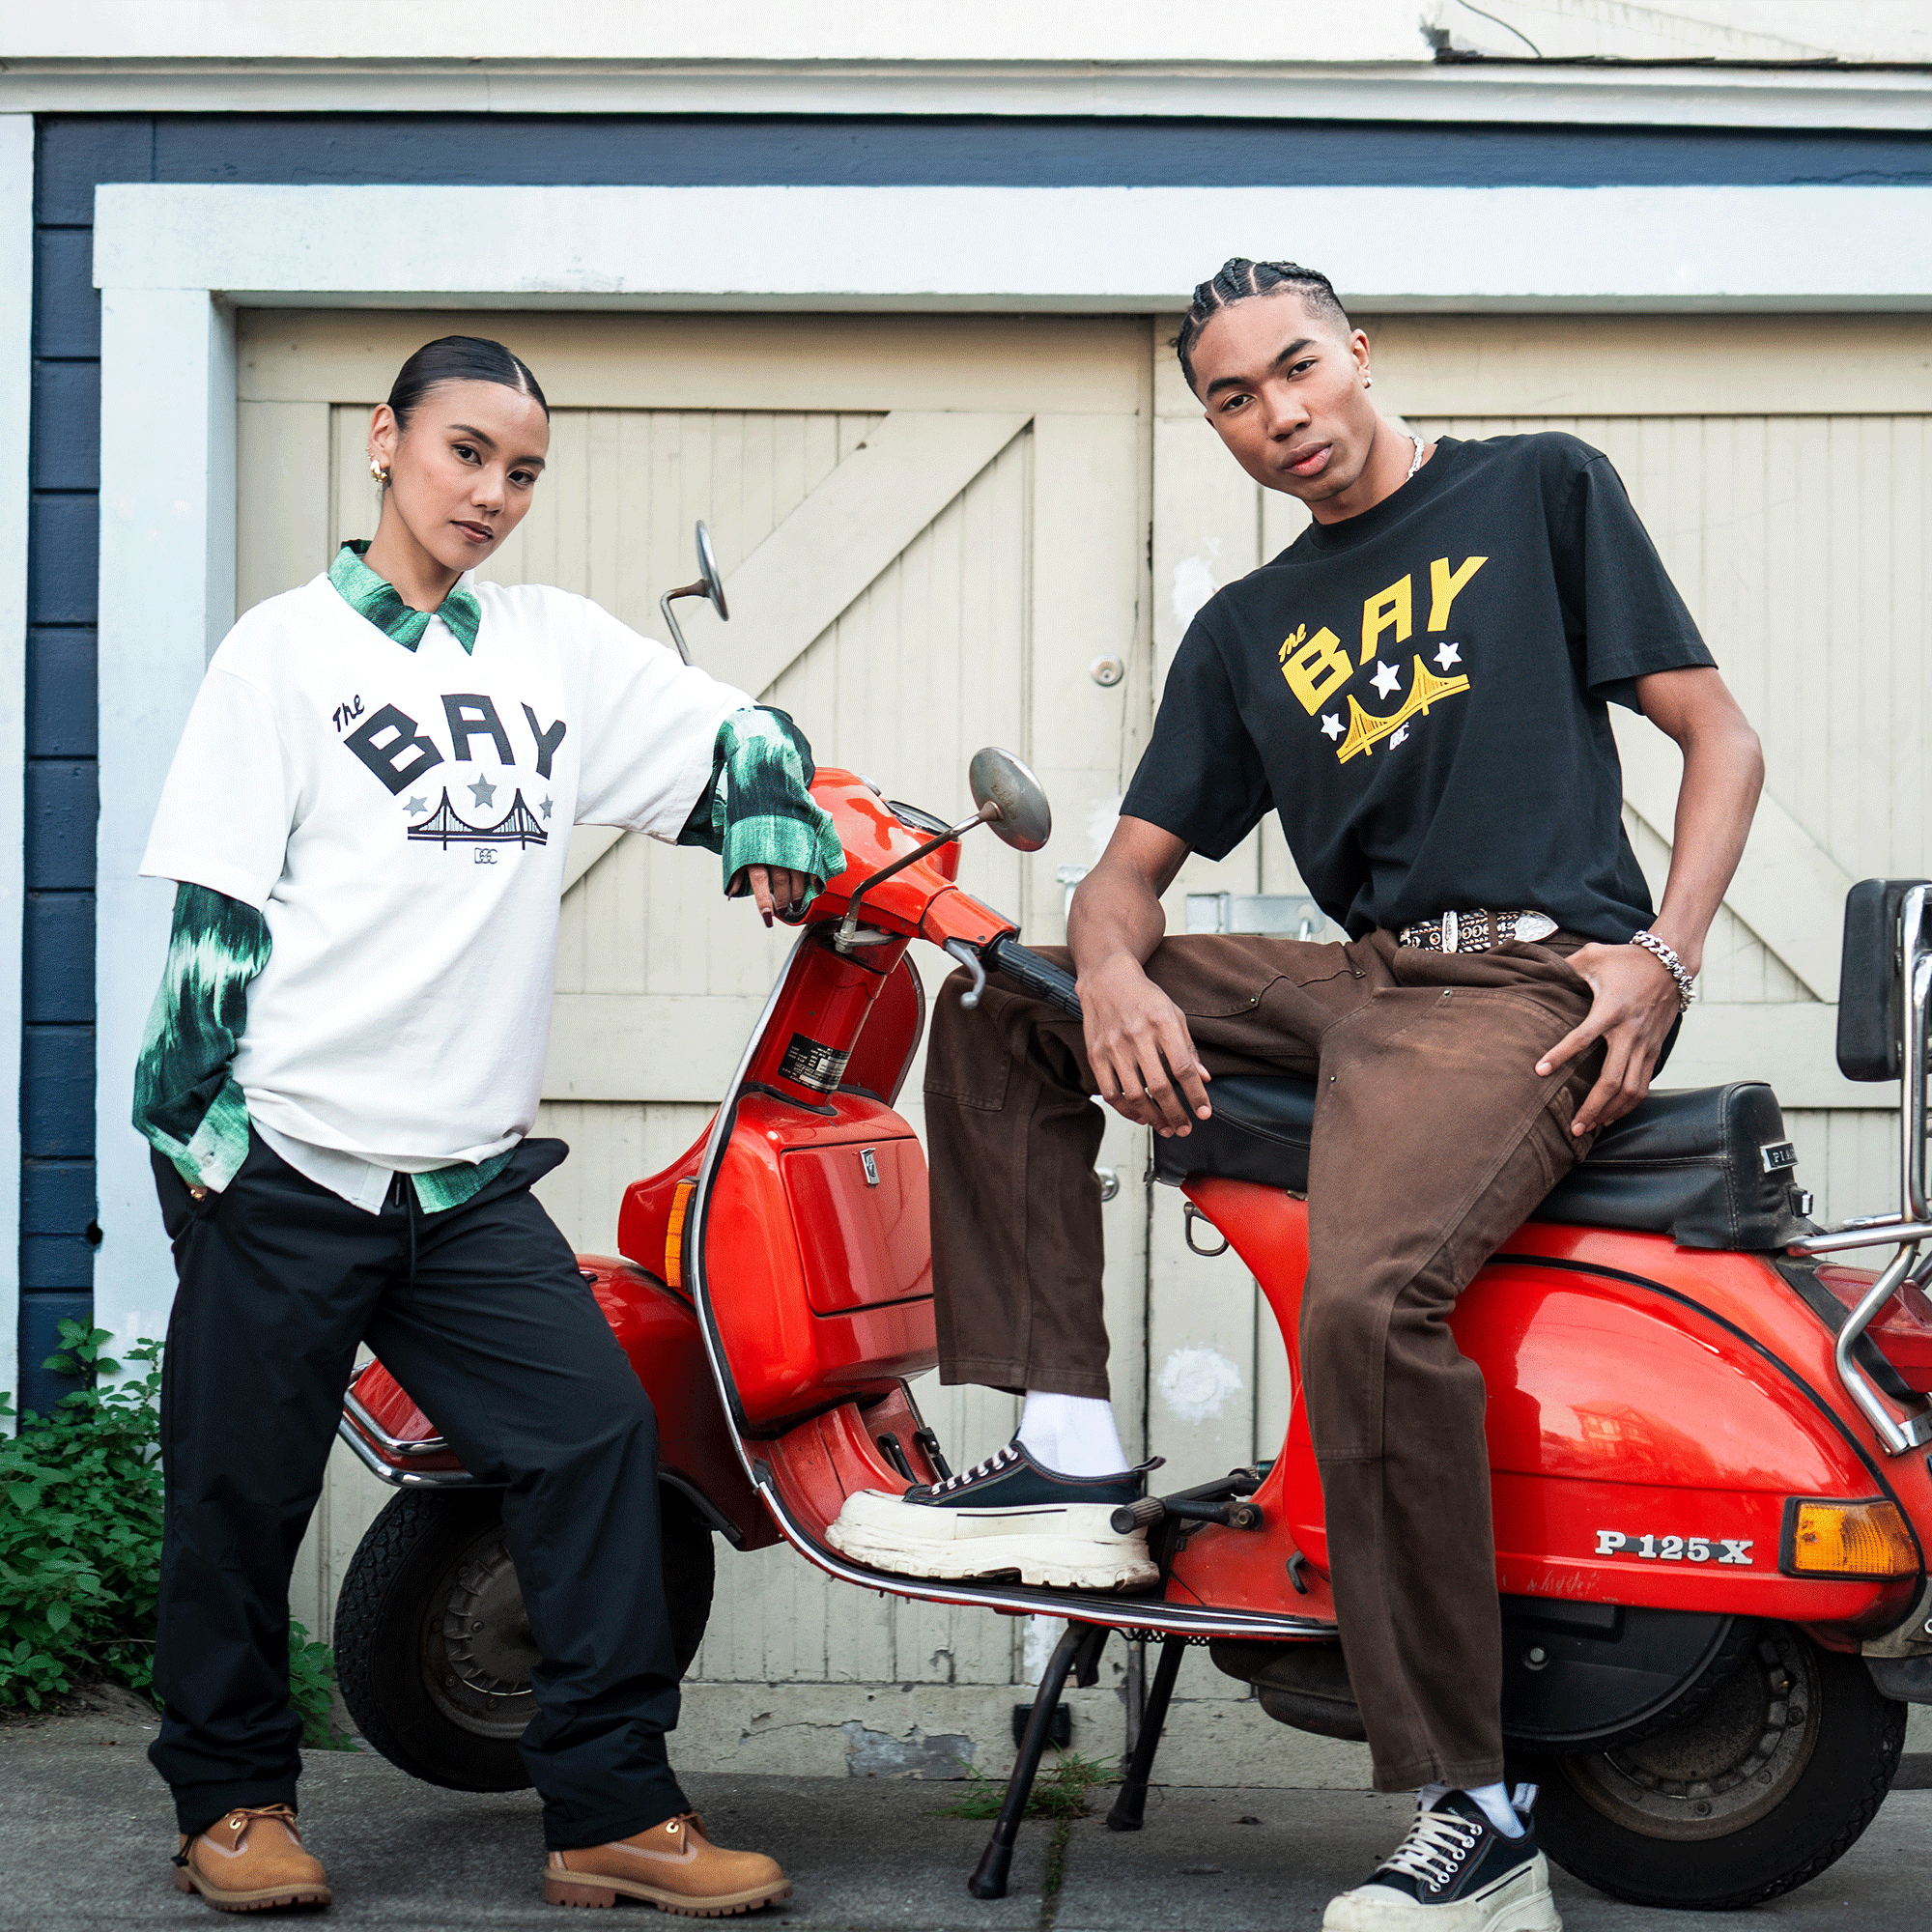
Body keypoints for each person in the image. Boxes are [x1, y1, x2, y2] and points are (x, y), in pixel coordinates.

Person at [829, 261, 1764, 1931]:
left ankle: (1475, 1818)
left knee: (1368, 1305)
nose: (1282, 417)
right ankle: (1066, 1453)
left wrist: (1666, 961)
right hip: (1372, 979)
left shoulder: (1537, 488)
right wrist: (1110, 971)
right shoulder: (1248, 629)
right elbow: (1123, 878)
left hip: (1539, 981)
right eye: (1236, 399)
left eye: (1300, 369)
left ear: (1361, 354)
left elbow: (1721, 739)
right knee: (1006, 995)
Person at [135, 336, 839, 1916]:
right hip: (291, 1156)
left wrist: (776, 817)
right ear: (386, 444)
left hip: (460, 1184)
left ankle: (607, 1810)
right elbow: (211, 922)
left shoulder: (555, 651)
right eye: (466, 454)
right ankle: (230, 1803)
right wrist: (198, 1147)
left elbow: (734, 737)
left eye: (522, 470)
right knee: (237, 1487)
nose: (494, 495)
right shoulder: (284, 653)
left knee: (593, 1439)